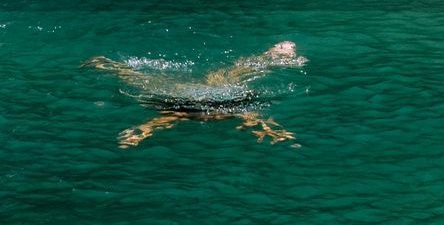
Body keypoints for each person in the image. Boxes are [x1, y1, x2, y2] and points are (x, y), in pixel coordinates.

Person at [84, 41, 306, 147]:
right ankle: (109, 65)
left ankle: (110, 65)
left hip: (200, 98)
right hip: (202, 99)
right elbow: (160, 121)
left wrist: (141, 132)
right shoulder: (234, 110)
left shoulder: (232, 109)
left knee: (144, 81)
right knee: (230, 76)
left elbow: (159, 121)